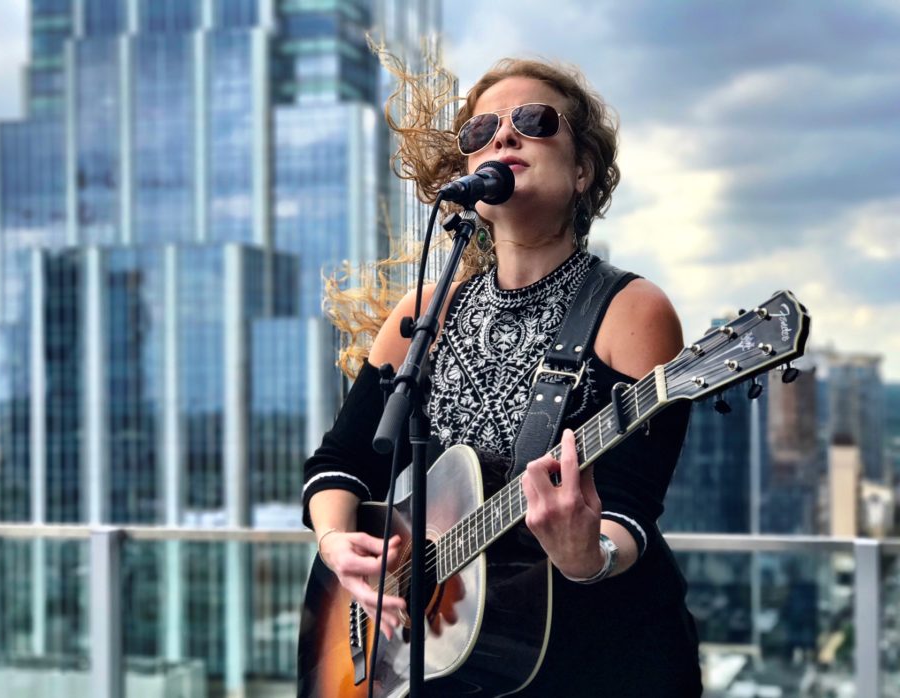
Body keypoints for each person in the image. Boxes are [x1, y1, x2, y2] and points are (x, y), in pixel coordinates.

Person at [301, 56, 703, 696]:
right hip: (448, 665)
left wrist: (588, 556)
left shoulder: (632, 311)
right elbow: (341, 463)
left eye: (535, 121)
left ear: (582, 170)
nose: (504, 135)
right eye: (481, 129)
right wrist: (335, 543)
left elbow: (629, 509)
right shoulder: (421, 316)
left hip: (596, 660)